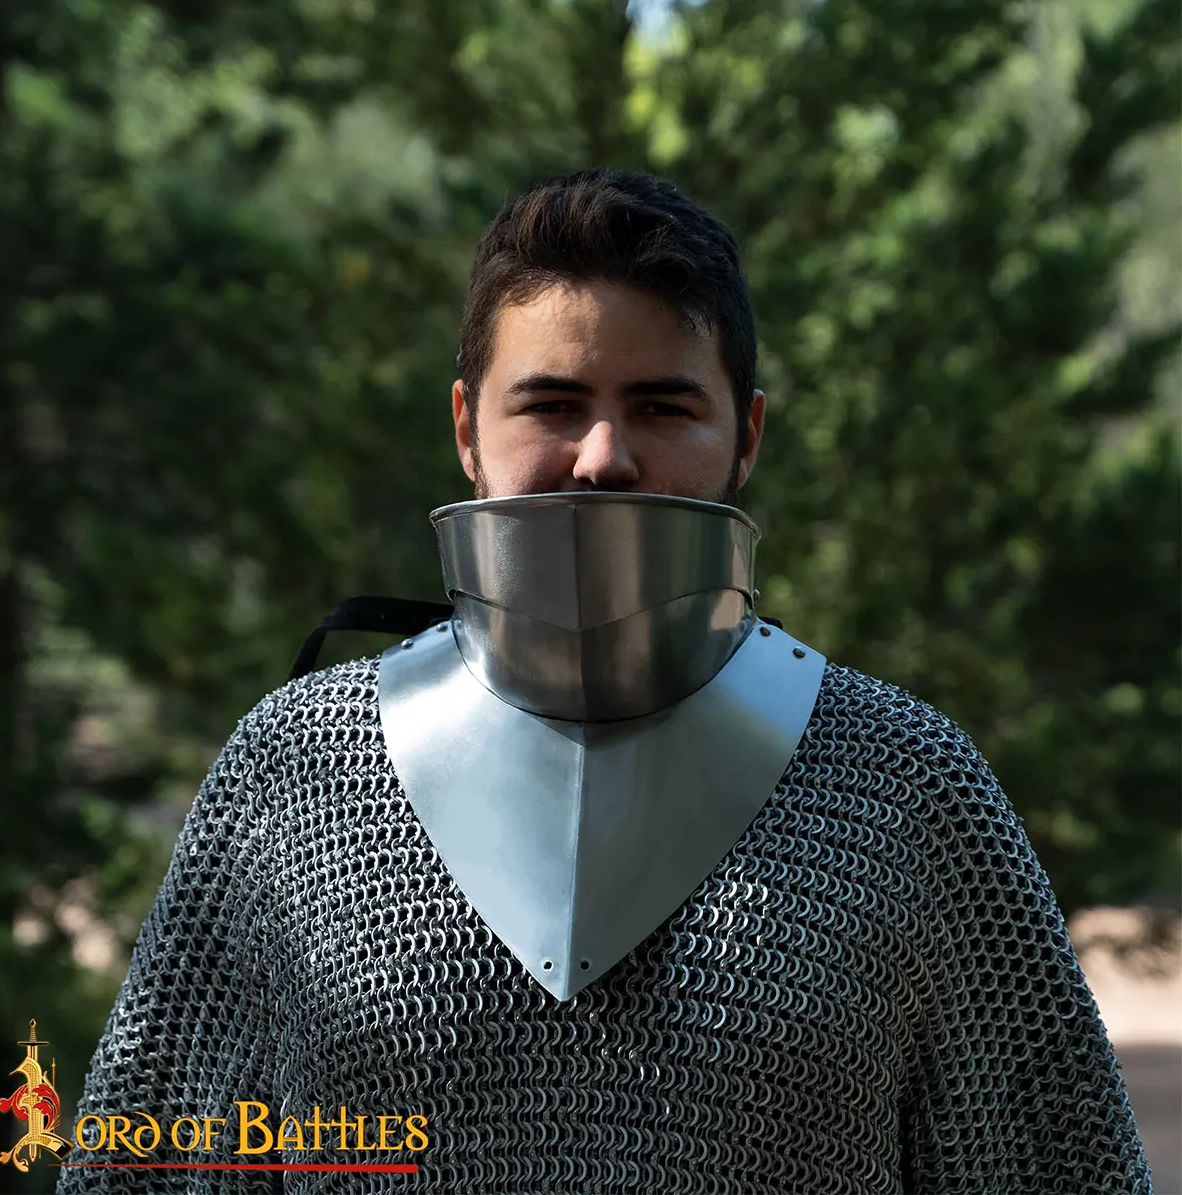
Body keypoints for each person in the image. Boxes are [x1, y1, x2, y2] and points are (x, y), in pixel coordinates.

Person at [59, 169, 1151, 1194]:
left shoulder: (909, 788)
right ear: (466, 430)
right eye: (549, 404)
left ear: (747, 434)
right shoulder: (296, 772)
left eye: (663, 407)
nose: (602, 457)